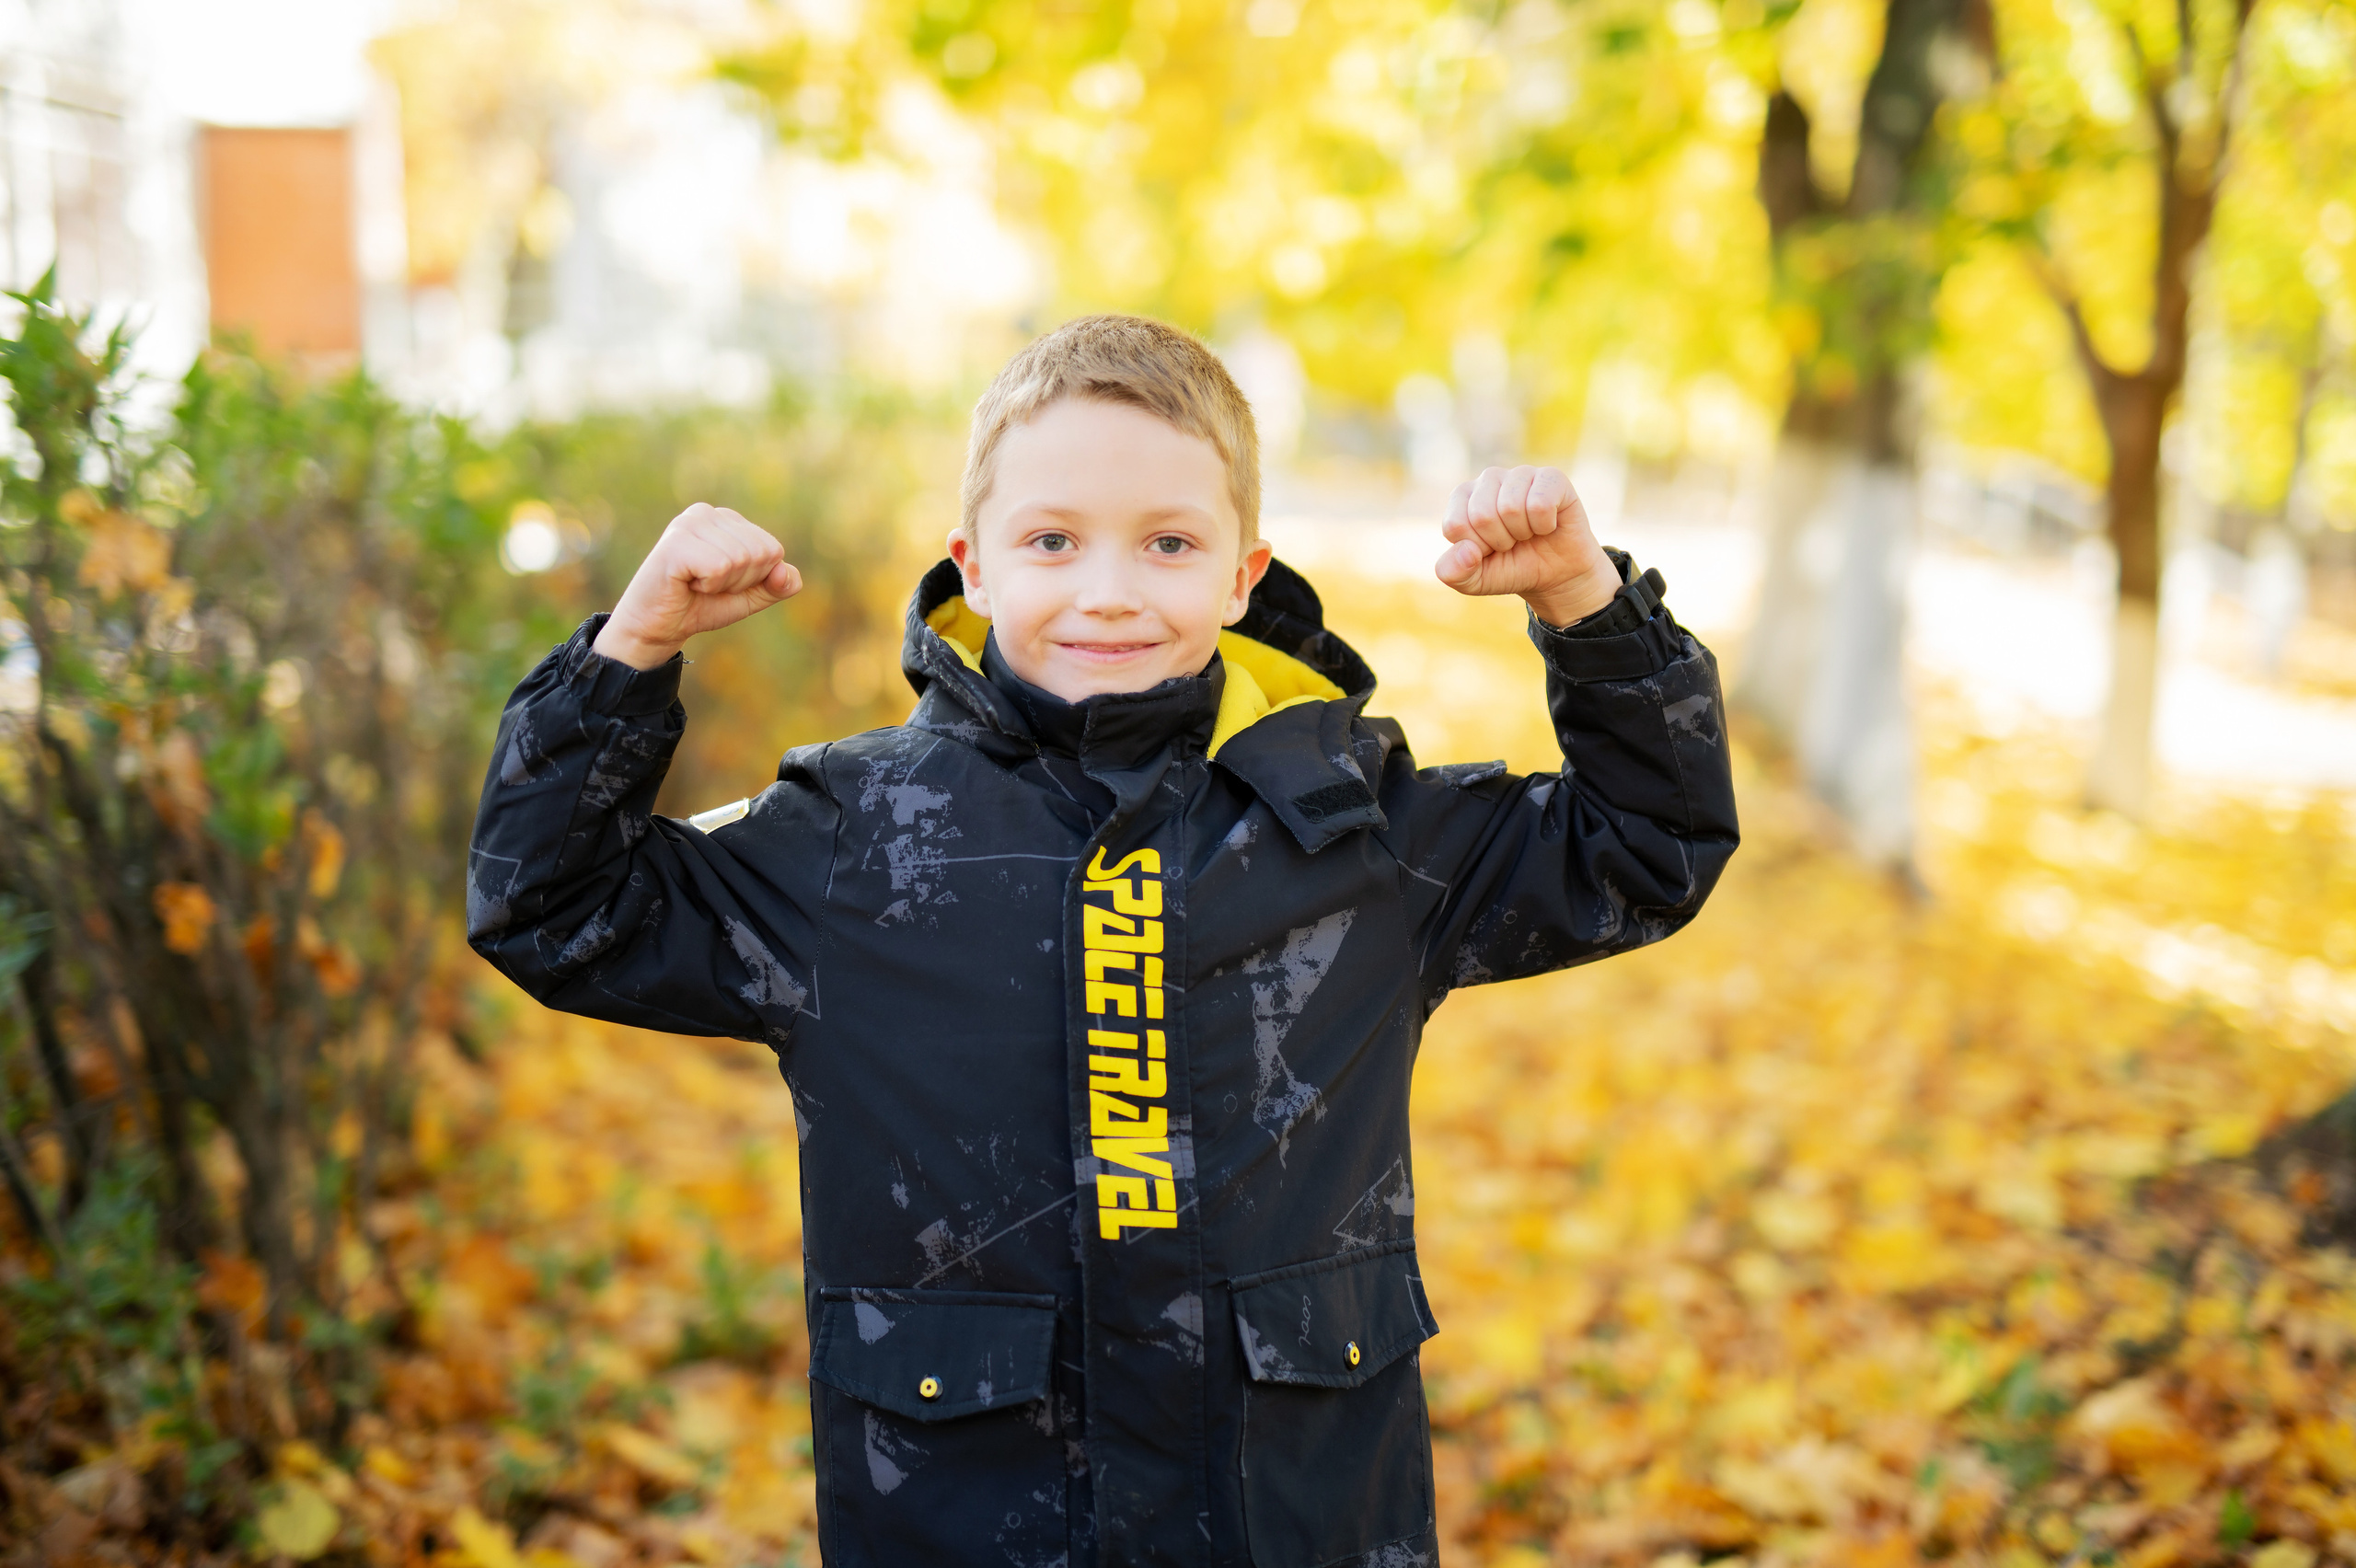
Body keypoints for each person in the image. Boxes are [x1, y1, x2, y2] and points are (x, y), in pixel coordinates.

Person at [468, 314, 1738, 1568]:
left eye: (1170, 542)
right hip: (965, 1516)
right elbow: (554, 908)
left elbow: (1648, 846)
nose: (1109, 591)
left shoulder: (1361, 826)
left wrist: (1587, 599)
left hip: (1289, 1518)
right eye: (1054, 540)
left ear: (1245, 574)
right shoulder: (853, 838)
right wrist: (629, 653)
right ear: (975, 563)